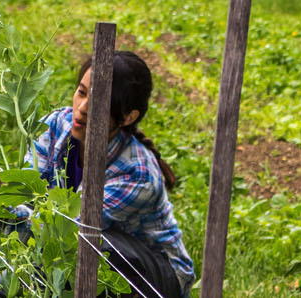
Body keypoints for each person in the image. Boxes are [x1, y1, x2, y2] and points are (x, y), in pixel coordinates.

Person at [13, 51, 194, 298]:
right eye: (81, 92)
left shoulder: (137, 173)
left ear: (128, 117)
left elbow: (67, 231)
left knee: (90, 246)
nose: (83, 108)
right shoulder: (56, 124)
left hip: (155, 278)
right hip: (94, 253)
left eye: (99, 104)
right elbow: (22, 191)